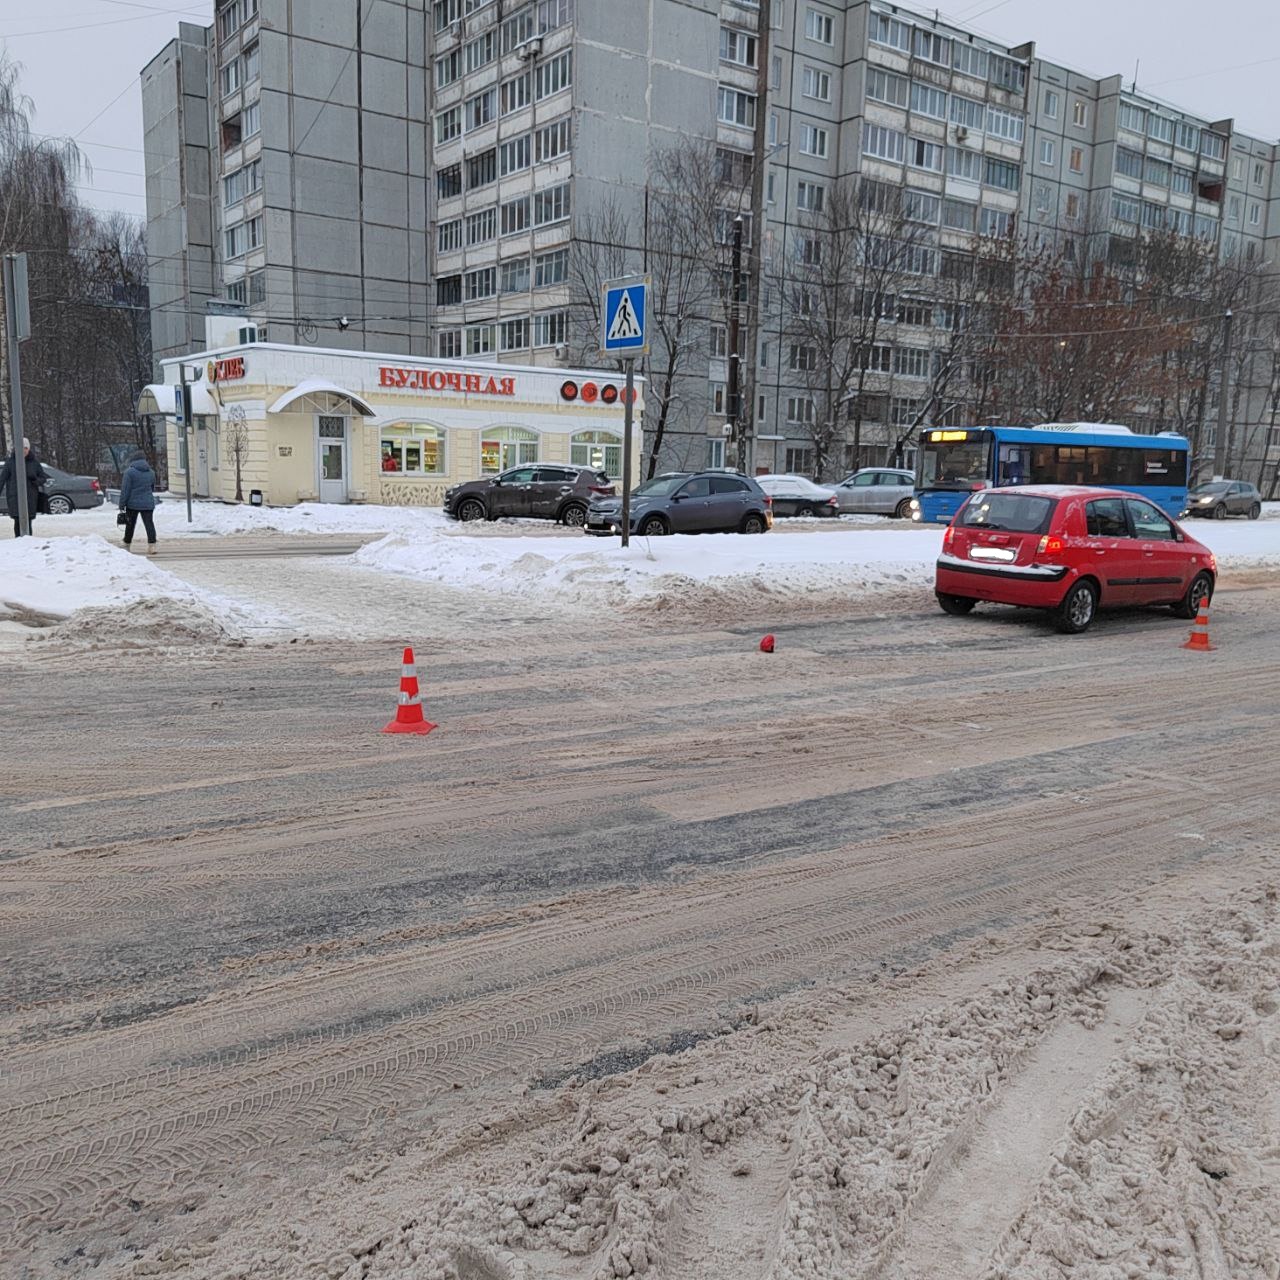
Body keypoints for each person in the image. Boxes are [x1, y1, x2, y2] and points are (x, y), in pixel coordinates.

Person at [0, 437, 50, 538]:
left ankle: (28, 541)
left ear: (28, 449)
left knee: (28, 520)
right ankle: (18, 541)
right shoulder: (10, 462)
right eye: (21, 448)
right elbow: (2, 479)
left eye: (25, 448)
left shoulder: (34, 462)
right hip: (15, 497)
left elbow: (43, 477)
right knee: (17, 520)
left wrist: (36, 481)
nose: (23, 450)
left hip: (30, 497)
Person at [118, 449, 159, 554]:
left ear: (133, 460)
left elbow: (125, 490)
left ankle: (127, 543)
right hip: (148, 503)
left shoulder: (129, 473)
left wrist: (122, 504)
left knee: (130, 524)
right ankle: (152, 545)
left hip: (132, 504)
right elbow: (152, 488)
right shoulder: (151, 473)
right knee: (149, 524)